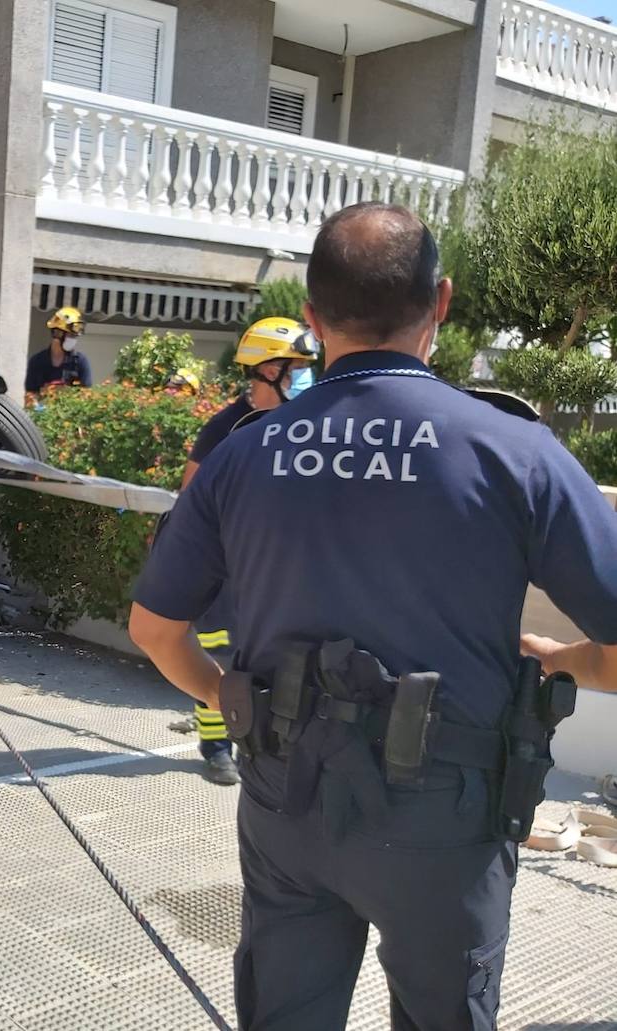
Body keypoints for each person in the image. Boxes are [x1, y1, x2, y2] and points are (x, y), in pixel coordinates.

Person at [129, 202, 617, 1029]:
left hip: (287, 804)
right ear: (443, 303)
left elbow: (153, 629)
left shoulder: (243, 454)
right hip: (445, 825)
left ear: (314, 320)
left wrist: (228, 702)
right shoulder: (514, 451)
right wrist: (565, 659)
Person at [179, 319, 318, 785]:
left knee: (269, 658)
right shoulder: (226, 429)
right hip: (223, 571)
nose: (304, 375)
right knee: (220, 657)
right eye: (296, 367)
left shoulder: (305, 423)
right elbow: (191, 501)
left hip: (272, 569)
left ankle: (257, 740)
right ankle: (216, 748)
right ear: (267, 370)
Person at [25, 306, 92, 401]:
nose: (73, 340)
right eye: (70, 335)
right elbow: (30, 395)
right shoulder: (37, 361)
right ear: (57, 333)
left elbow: (87, 395)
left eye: (75, 336)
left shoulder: (80, 361)